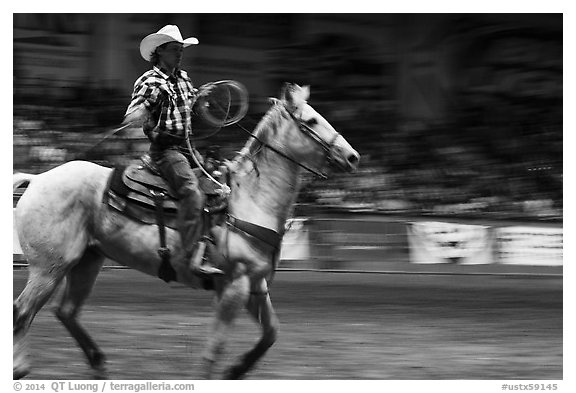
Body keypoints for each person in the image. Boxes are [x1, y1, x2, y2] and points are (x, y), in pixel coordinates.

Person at [123, 25, 223, 278]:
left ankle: (213, 246)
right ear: (160, 52)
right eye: (175, 50)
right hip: (165, 149)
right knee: (192, 193)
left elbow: (190, 105)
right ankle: (191, 256)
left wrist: (201, 96)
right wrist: (139, 114)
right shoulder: (149, 80)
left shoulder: (183, 78)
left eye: (181, 50)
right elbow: (133, 114)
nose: (180, 54)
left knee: (218, 188)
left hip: (187, 147)